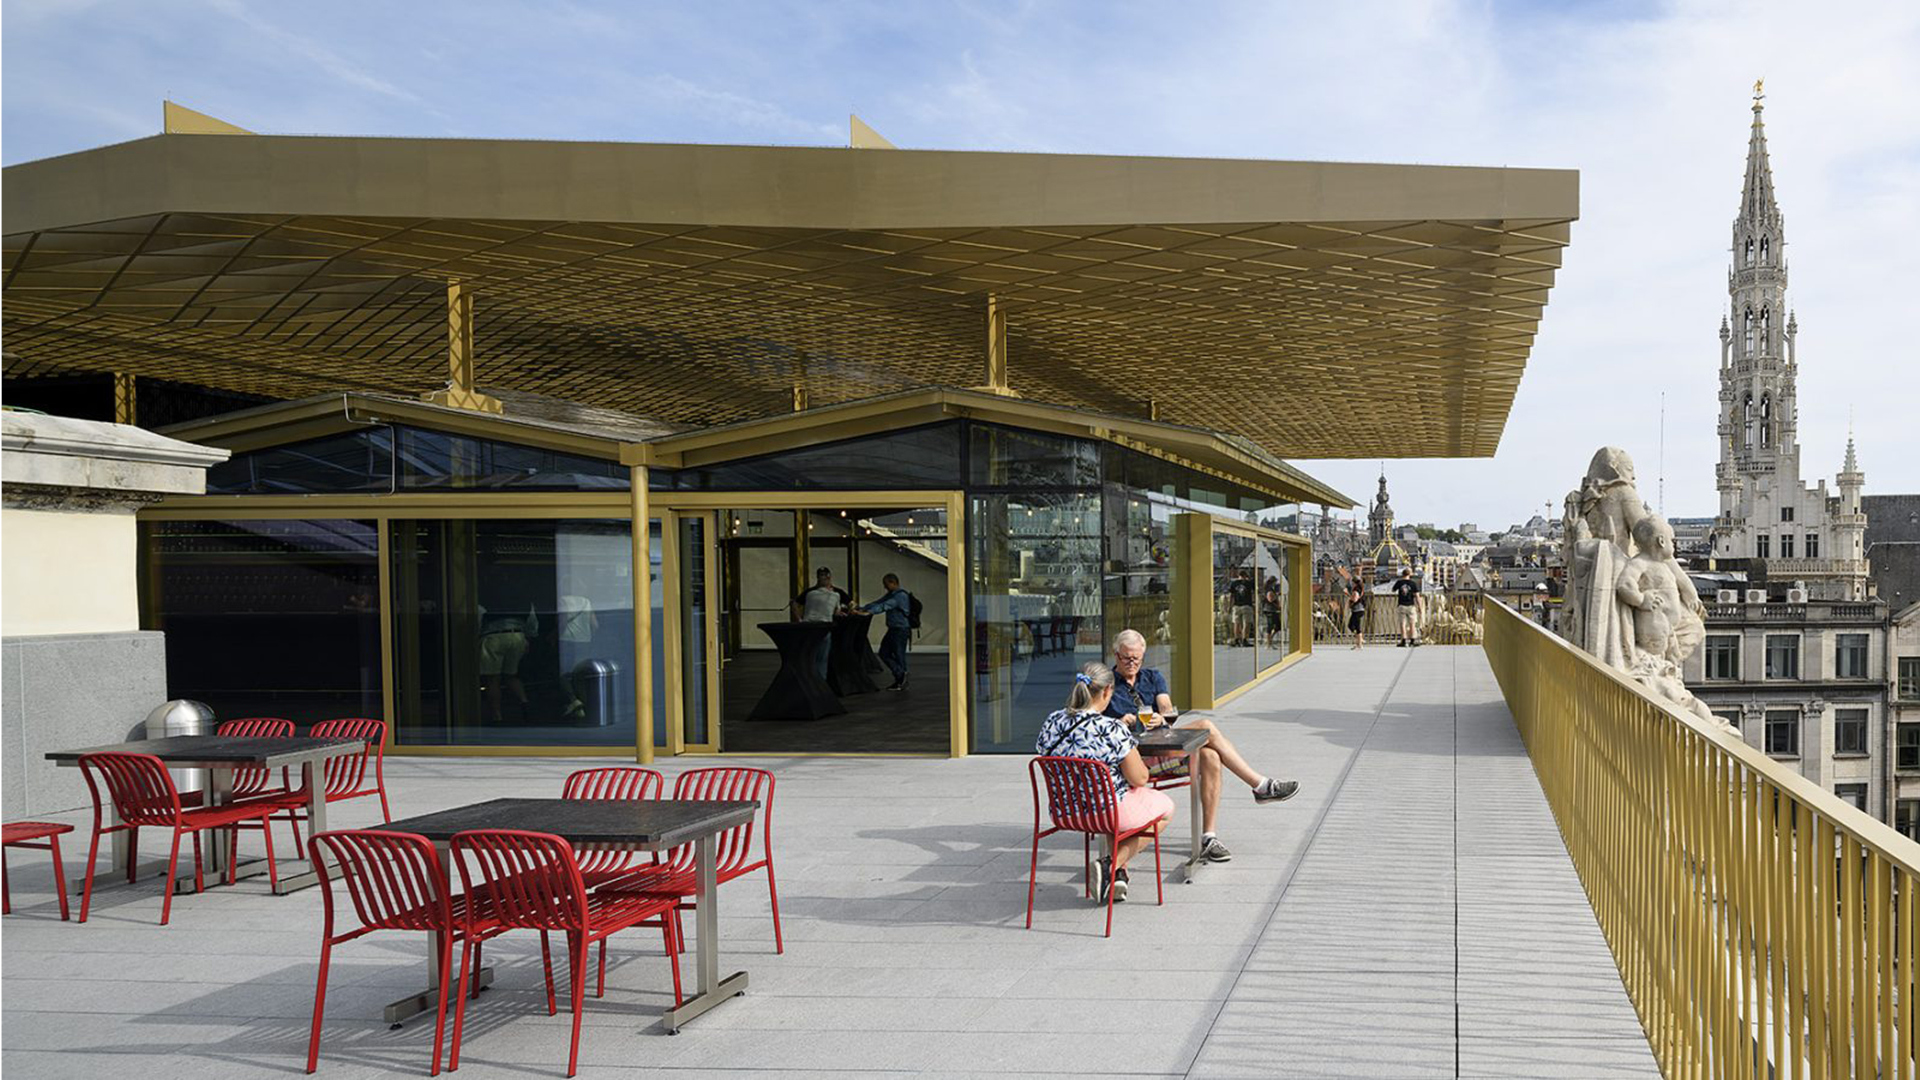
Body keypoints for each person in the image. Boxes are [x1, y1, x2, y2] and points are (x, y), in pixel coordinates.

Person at [1103, 629, 1297, 864]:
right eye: (1127, 658)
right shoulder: (1106, 685)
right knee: (1206, 726)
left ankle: (1209, 837)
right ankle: (1260, 785)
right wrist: (1118, 722)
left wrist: (1161, 717)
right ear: (1116, 655)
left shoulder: (1152, 677)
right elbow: (1093, 722)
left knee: (1210, 756)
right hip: (1133, 761)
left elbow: (1166, 707)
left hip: (1164, 749)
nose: (1132, 663)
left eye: (1137, 658)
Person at [1034, 663, 1173, 903]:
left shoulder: (1052, 721)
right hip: (1105, 813)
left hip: (1065, 813)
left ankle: (1117, 876)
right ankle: (1111, 864)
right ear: (1108, 691)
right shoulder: (1112, 728)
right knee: (1165, 809)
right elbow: (1140, 779)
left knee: (1116, 797)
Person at [855, 573, 914, 691]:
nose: (885, 587)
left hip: (900, 629)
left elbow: (884, 605)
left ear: (893, 582)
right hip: (894, 629)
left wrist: (868, 612)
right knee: (884, 653)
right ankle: (900, 675)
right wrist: (862, 608)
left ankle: (901, 678)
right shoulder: (892, 595)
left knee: (898, 654)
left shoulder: (900, 596)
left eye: (886, 584)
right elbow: (879, 602)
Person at [792, 567, 850, 678]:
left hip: (808, 626)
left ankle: (807, 680)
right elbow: (837, 612)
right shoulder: (835, 595)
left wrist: (799, 619)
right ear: (829, 578)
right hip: (824, 627)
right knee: (822, 659)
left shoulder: (809, 593)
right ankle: (820, 682)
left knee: (809, 656)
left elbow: (794, 604)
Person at [1392, 566, 1423, 647]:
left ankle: (1404, 640)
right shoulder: (1413, 583)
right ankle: (1412, 640)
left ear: (1402, 574)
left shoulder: (1399, 582)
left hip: (1401, 605)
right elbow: (1417, 596)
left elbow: (1393, 590)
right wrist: (1420, 607)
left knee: (1402, 623)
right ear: (1410, 574)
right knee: (1412, 623)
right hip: (1411, 606)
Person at [1225, 568, 1256, 646]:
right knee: (1246, 623)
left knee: (1236, 623)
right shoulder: (1249, 583)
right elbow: (1254, 593)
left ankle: (1236, 639)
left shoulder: (1234, 583)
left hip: (1236, 606)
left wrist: (1229, 606)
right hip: (1247, 605)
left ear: (1238, 575)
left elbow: (1231, 595)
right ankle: (1244, 639)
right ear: (1245, 576)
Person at [1346, 571, 1368, 649]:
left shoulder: (1356, 590)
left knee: (1355, 626)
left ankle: (1359, 643)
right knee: (1352, 625)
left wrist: (1348, 595)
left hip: (1357, 610)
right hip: (1359, 609)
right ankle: (1359, 641)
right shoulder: (1361, 589)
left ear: (1354, 582)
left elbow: (1355, 599)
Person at [1260, 575, 1282, 650]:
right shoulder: (1269, 590)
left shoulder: (1269, 589)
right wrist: (1276, 597)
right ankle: (1269, 642)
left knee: (1277, 626)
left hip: (1272, 610)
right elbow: (1270, 599)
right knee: (1270, 626)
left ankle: (1270, 640)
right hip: (1270, 610)